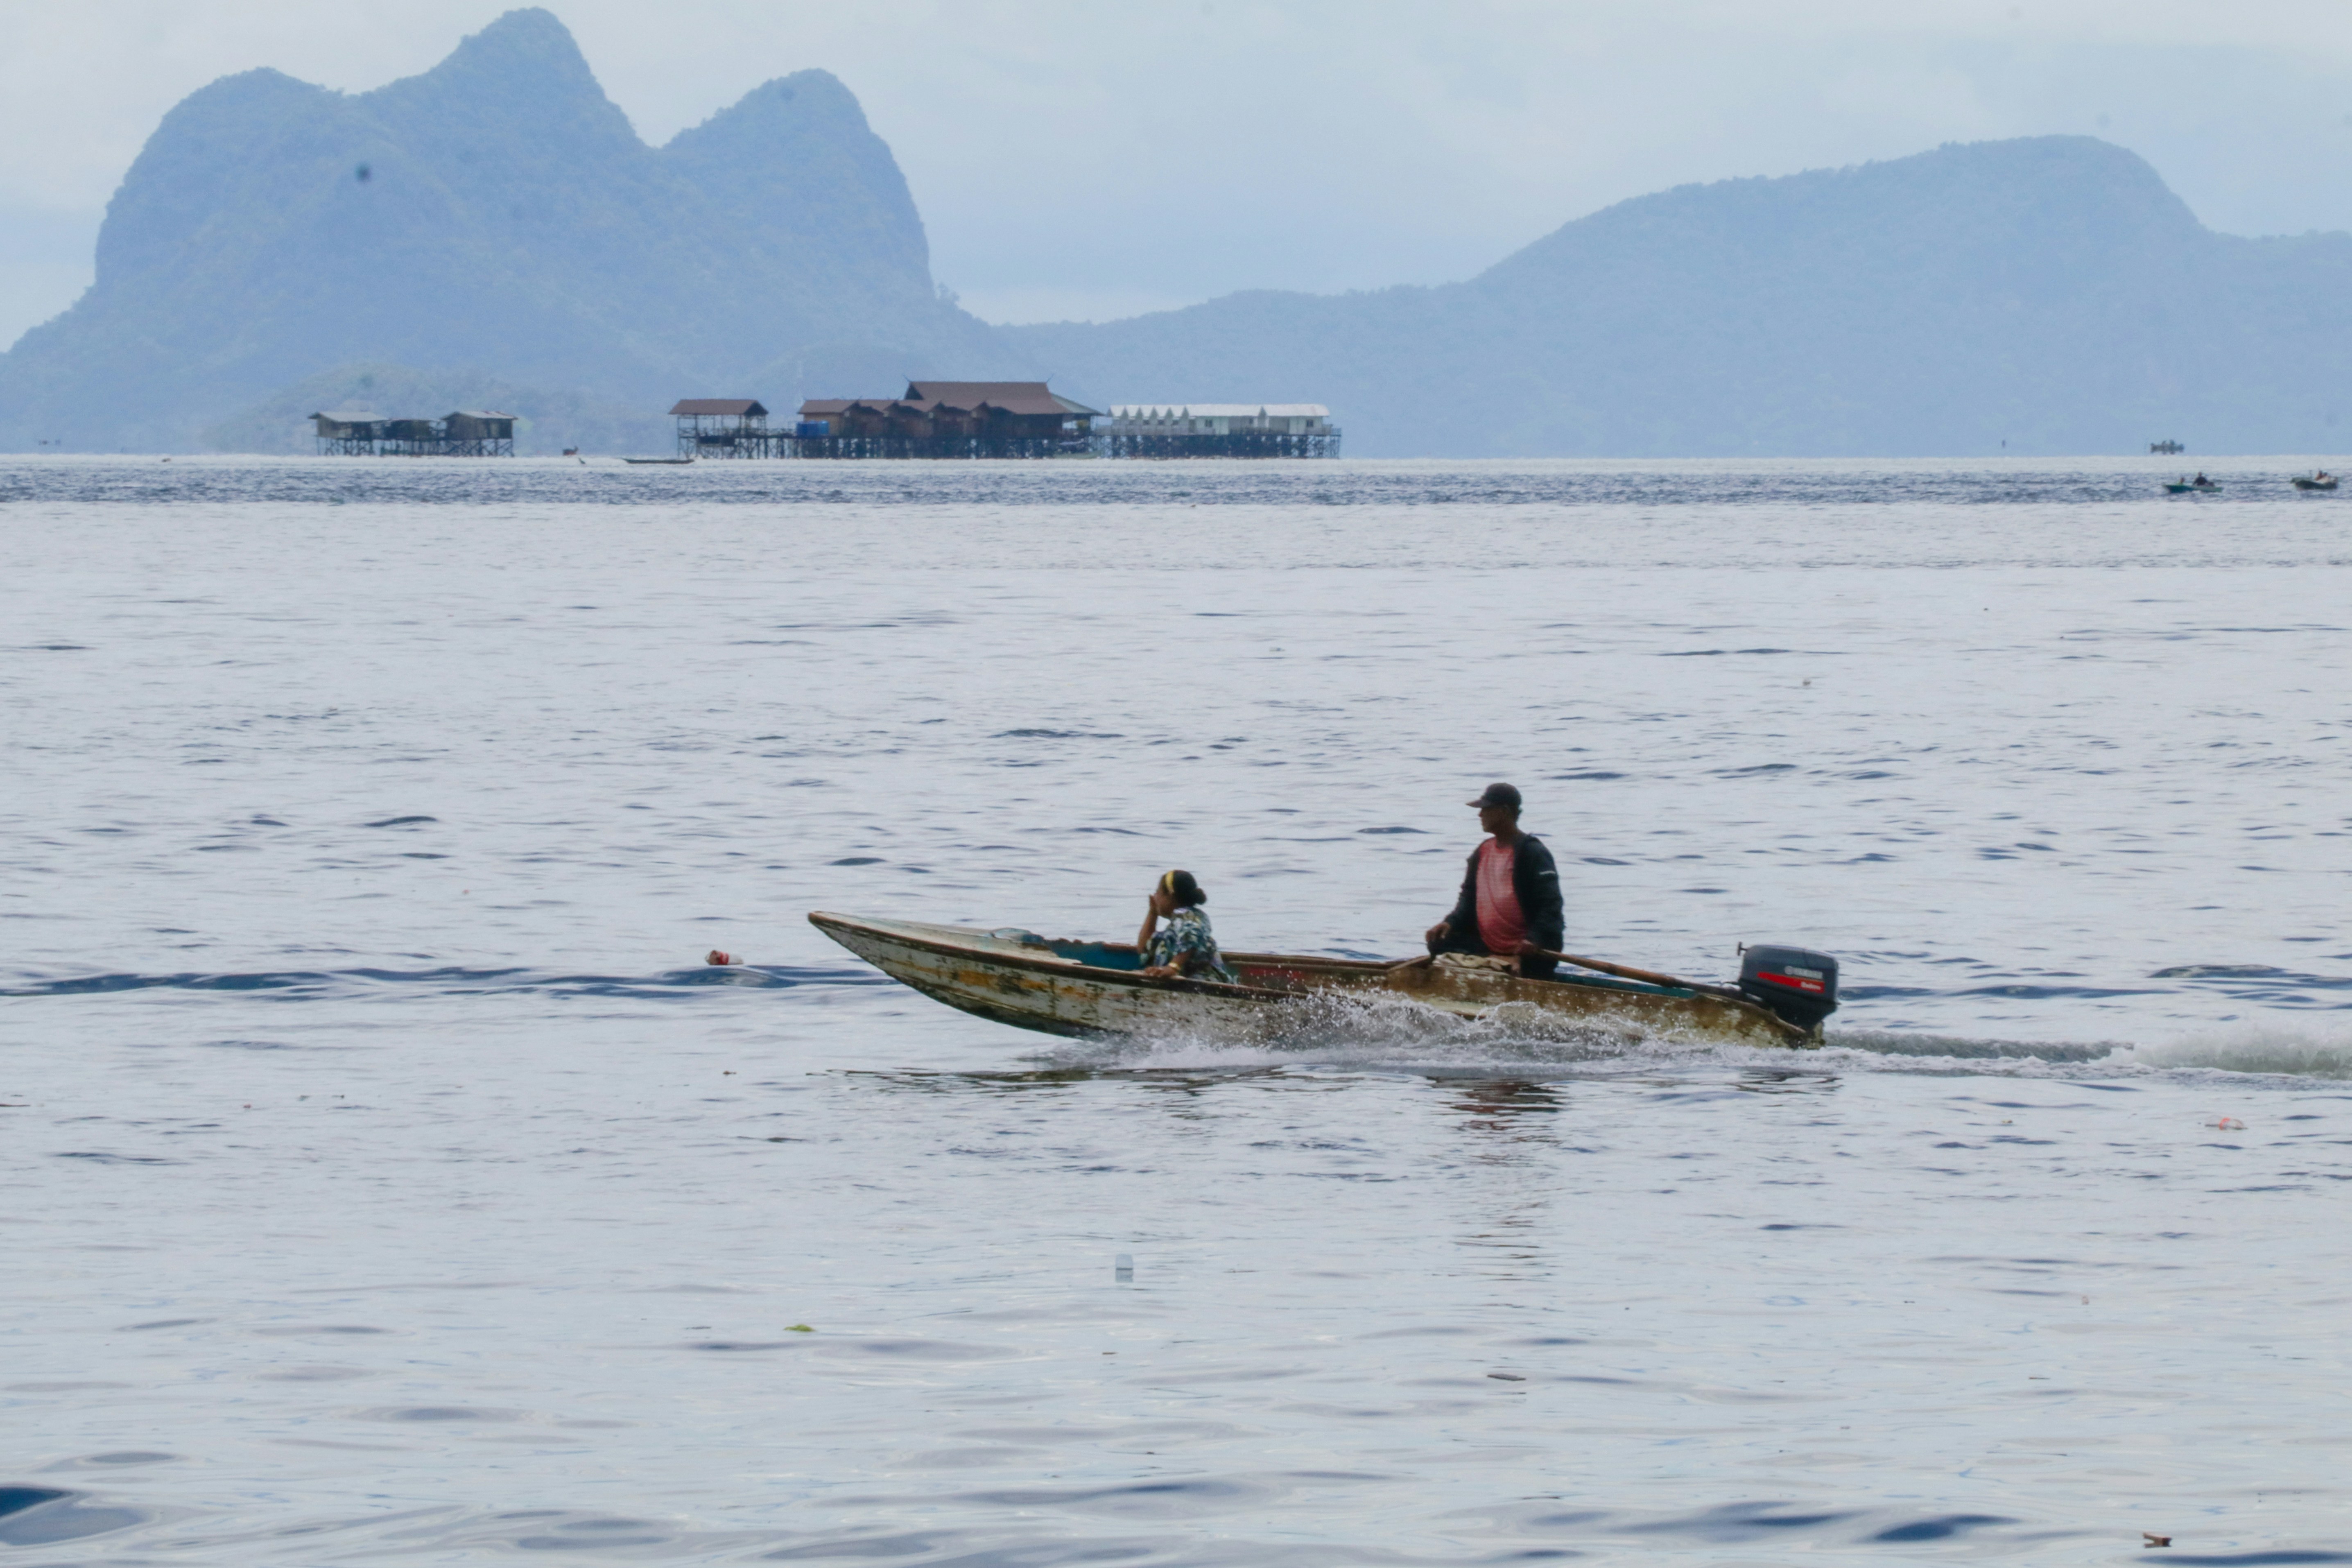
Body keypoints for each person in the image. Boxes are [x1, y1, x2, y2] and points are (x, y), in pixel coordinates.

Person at [1423, 782, 1564, 980]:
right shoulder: (1482, 853)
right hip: (1488, 946)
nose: (1480, 815)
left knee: (1536, 958)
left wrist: (1534, 940)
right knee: (1439, 941)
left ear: (1504, 812)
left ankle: (1511, 963)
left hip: (1528, 949)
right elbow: (1468, 899)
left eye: (1486, 809)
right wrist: (1450, 923)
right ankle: (1495, 960)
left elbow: (1551, 907)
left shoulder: (1533, 854)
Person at [1136, 869, 1239, 983]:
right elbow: (1144, 949)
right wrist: (1153, 912)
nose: (1155, 896)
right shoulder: (1174, 927)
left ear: (1170, 897)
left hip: (1205, 983)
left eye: (1158, 893)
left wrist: (1173, 967)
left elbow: (1191, 935)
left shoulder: (1190, 917)